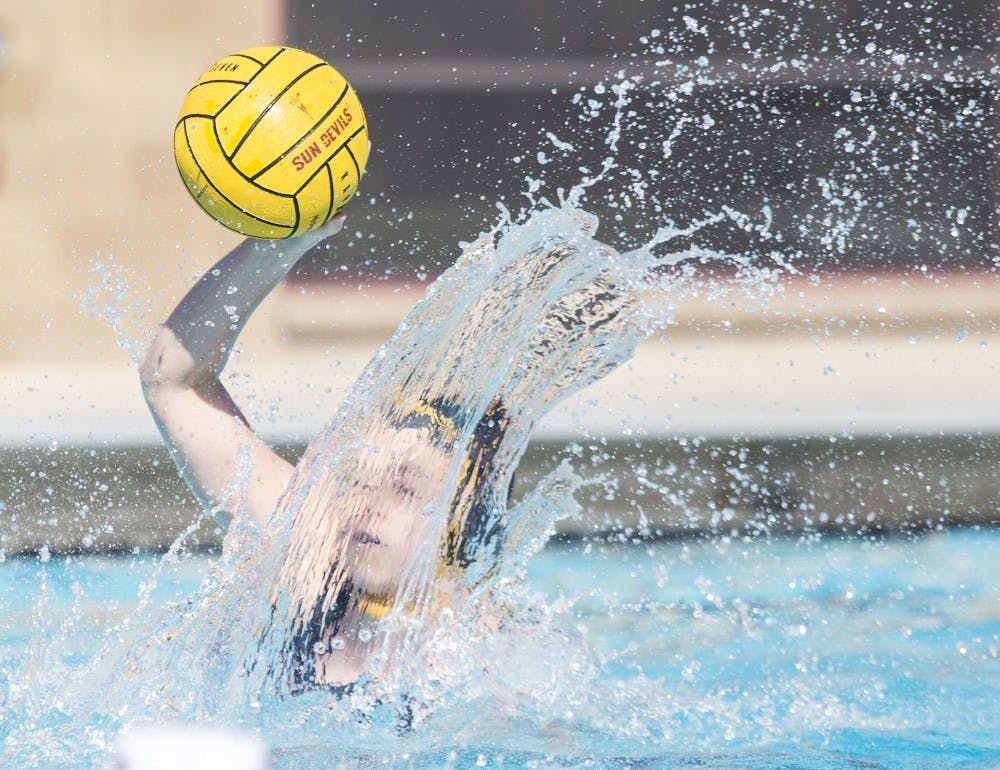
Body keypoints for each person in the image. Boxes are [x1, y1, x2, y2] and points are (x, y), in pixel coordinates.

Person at [140, 213, 510, 692]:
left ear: (462, 519)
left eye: (405, 488)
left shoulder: (486, 662)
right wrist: (279, 247)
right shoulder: (311, 561)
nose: (369, 504)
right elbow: (171, 382)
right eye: (359, 479)